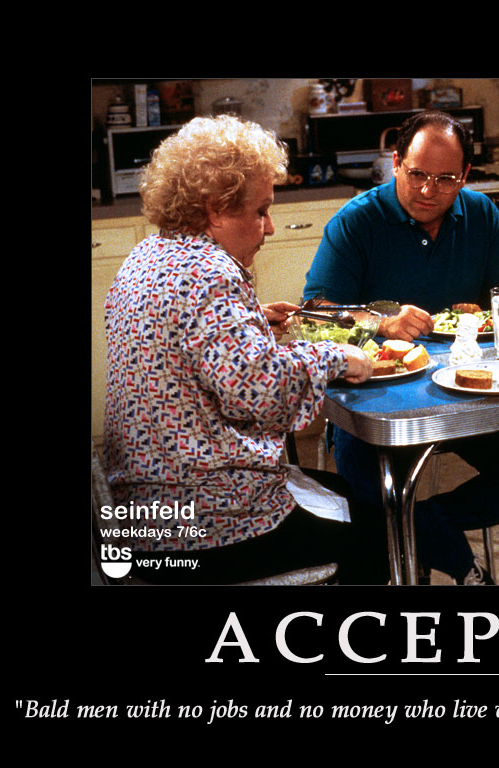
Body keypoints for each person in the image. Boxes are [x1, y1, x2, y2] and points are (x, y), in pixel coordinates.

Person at [102, 115, 388, 585]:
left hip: (144, 514)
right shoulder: (210, 273)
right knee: (377, 527)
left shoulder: (148, 255)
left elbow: (191, 345)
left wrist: (252, 321)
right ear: (215, 210)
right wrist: (339, 357)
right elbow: (260, 391)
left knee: (349, 494)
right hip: (206, 526)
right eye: (261, 211)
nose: (269, 227)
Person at [302, 110, 499, 585]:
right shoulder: (356, 222)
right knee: (369, 492)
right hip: (374, 399)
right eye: (417, 174)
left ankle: (414, 530)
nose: (428, 190)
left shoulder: (481, 214)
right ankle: (461, 566)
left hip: (464, 391)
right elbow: (315, 312)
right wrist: (380, 320)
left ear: (465, 175)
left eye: (445, 179)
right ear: (396, 163)